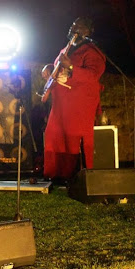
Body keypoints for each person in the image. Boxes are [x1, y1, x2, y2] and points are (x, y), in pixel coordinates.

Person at [41, 17, 106, 183]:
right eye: (73, 25)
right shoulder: (67, 49)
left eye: (80, 27)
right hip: (61, 105)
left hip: (78, 105)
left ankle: (75, 176)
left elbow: (93, 75)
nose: (75, 29)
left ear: (89, 32)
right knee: (54, 136)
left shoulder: (92, 52)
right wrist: (49, 68)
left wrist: (71, 67)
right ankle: (55, 174)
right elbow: (58, 66)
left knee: (72, 139)